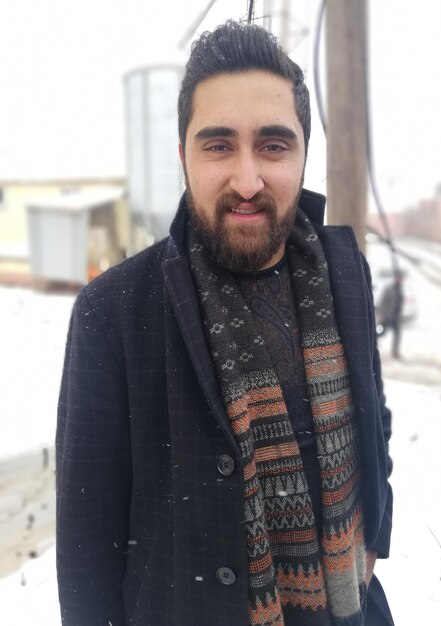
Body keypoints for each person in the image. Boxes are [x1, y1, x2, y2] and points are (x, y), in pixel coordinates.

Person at [56, 20, 394, 626]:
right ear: (183, 155)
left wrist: (375, 534)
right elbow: (86, 542)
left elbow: (375, 420)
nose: (247, 180)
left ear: (302, 154)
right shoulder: (113, 312)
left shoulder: (347, 272)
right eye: (218, 145)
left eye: (273, 144)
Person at [376, 274, 404, 359]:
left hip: (395, 317)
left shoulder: (399, 290)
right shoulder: (389, 289)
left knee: (398, 333)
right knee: (381, 332)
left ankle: (395, 352)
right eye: (399, 279)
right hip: (387, 316)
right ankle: (372, 343)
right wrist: (380, 314)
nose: (400, 280)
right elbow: (382, 301)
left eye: (401, 279)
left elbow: (399, 303)